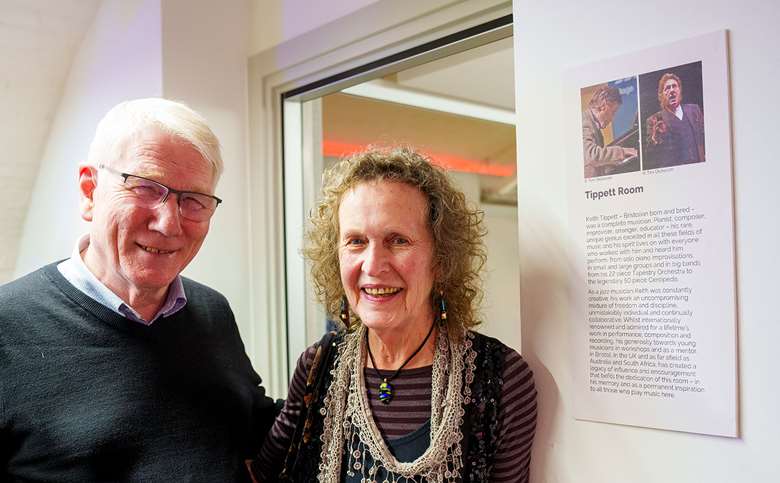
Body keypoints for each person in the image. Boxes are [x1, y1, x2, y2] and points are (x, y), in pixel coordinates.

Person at [0, 98, 277, 482]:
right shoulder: (7, 326)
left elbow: (258, 429)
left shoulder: (212, 311)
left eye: (193, 200)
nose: (168, 223)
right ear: (89, 191)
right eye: (146, 188)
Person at [248, 147, 538, 482]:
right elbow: (261, 474)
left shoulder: (501, 380)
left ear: (442, 258)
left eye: (398, 240)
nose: (372, 265)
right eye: (356, 241)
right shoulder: (317, 367)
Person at [644, 73, 705, 169]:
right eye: (667, 88)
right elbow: (649, 157)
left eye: (674, 86)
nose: (672, 90)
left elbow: (704, 136)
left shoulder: (694, 110)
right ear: (661, 95)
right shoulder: (653, 120)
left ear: (679, 90)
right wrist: (655, 138)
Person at [582, 85, 638, 178]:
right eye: (613, 112)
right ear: (604, 105)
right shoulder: (584, 121)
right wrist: (623, 152)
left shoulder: (593, 125)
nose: (612, 118)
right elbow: (591, 155)